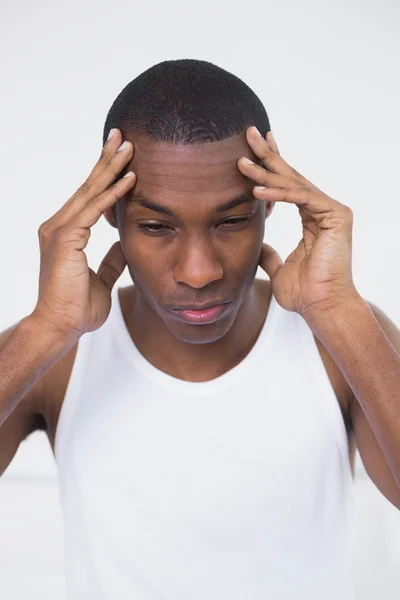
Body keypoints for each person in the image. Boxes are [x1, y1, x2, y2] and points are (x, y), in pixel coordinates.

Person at [1, 58, 400, 600]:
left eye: (232, 221)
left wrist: (337, 308)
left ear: (271, 208)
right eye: (156, 226)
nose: (198, 271)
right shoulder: (61, 355)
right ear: (109, 217)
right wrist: (47, 328)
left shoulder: (341, 339)